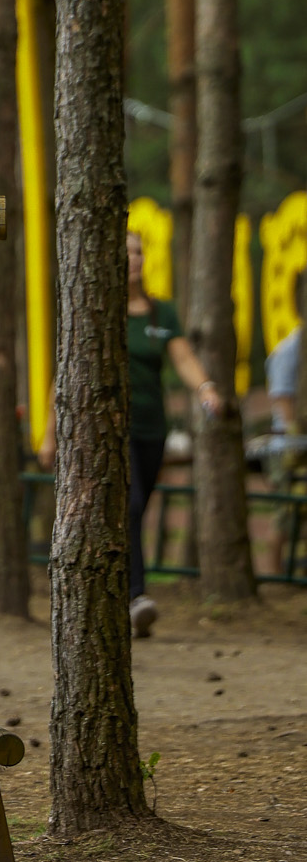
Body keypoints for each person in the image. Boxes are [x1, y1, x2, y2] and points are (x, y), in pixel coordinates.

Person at [40, 229, 223, 638]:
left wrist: (206, 388)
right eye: (127, 252)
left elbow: (183, 358)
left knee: (134, 512)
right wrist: (50, 435)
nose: (134, 258)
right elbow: (64, 374)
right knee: (131, 506)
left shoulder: (161, 313)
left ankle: (119, 595)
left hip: (152, 430)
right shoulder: (98, 309)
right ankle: (136, 597)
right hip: (109, 432)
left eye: (139, 251)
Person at [265, 267, 307, 578]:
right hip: (289, 445)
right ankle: (275, 572)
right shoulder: (290, 349)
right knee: (284, 511)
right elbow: (283, 400)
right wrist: (295, 436)